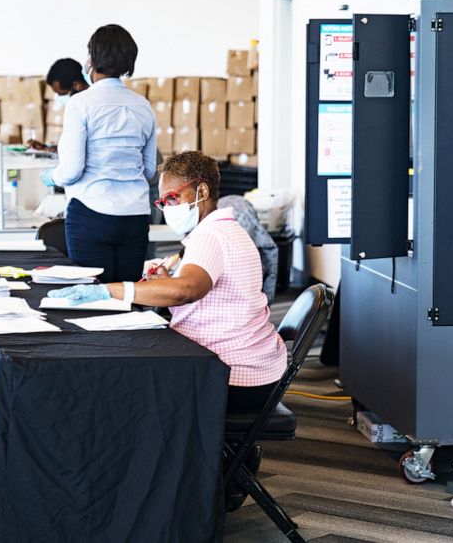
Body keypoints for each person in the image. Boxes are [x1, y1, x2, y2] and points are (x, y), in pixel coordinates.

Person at [50, 151, 287, 412]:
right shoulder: (226, 229)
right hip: (255, 368)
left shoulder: (210, 235)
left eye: (174, 198)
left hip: (233, 376)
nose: (169, 208)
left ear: (203, 191)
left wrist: (109, 291)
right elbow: (199, 291)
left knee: (123, 389)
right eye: (164, 202)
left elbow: (186, 290)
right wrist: (166, 282)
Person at [41, 24, 156, 283]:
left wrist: (51, 176)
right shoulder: (143, 106)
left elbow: (71, 171)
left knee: (95, 301)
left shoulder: (80, 104)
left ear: (92, 59)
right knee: (129, 299)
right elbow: (149, 170)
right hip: (135, 217)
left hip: (91, 213)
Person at [27, 58, 91, 152]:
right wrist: (46, 148)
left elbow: (81, 150)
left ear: (76, 85)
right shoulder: (80, 106)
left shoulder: (90, 108)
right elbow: (74, 146)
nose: (59, 99)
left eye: (63, 94)